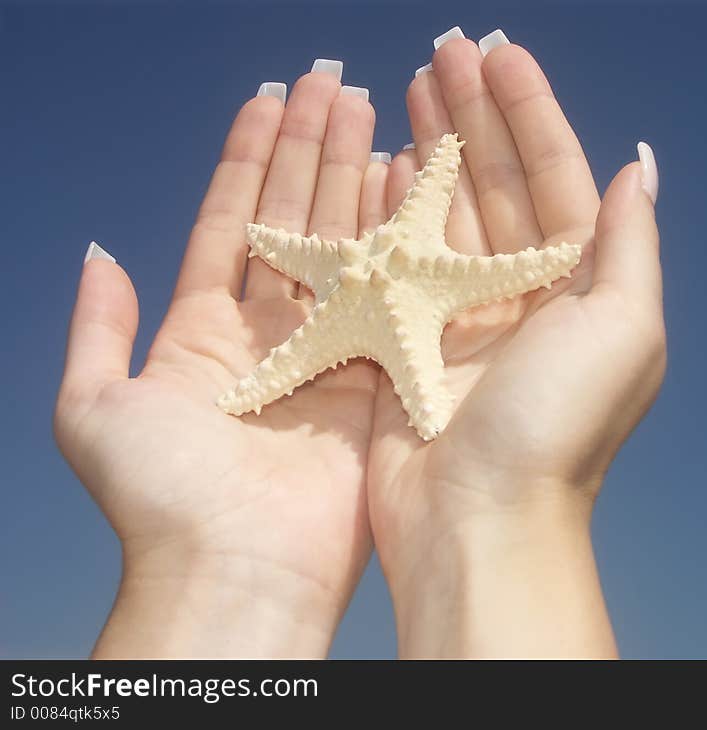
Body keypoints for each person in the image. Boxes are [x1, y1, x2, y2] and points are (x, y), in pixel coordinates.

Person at [54, 29, 665, 658]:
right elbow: (312, 270)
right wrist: (502, 521)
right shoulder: (352, 274)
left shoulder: (403, 273)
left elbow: (472, 263)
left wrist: (206, 580)